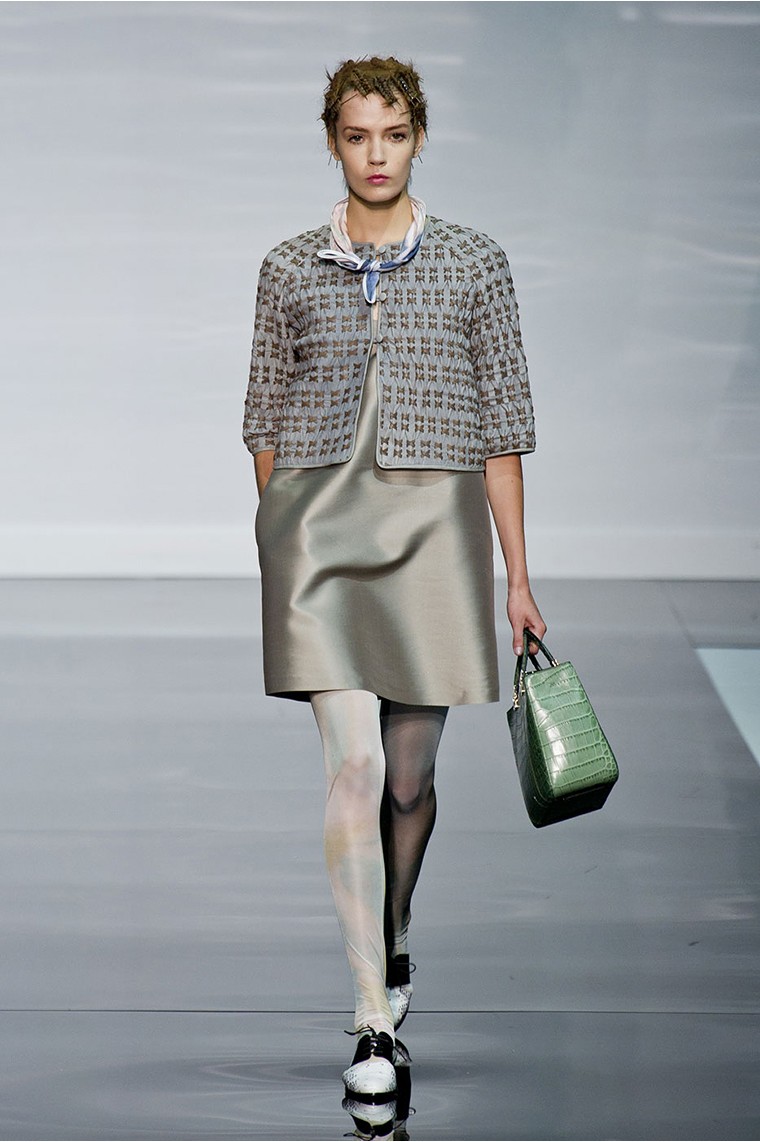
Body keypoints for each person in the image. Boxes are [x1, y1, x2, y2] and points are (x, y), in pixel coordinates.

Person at [242, 56, 546, 1104]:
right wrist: (279, 535)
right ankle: (371, 1012)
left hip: (432, 532)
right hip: (319, 539)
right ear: (332, 140)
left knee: (408, 782)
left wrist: (517, 577)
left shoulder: (474, 262)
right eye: (357, 135)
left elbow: (503, 426)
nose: (376, 155)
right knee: (357, 769)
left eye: (394, 134)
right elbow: (263, 415)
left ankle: (395, 922)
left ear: (419, 137)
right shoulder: (289, 266)